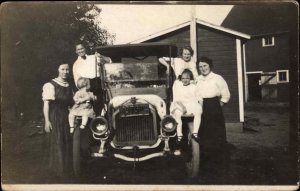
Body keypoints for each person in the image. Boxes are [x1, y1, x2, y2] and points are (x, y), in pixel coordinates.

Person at [42, 63, 73, 177]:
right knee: (57, 141)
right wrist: (47, 121)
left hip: (65, 116)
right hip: (54, 116)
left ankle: (65, 169)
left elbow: (70, 104)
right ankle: (56, 171)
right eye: (63, 69)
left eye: (67, 70)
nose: (65, 72)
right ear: (58, 70)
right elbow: (46, 104)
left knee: (65, 141)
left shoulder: (69, 85)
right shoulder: (50, 85)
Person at [195, 56, 230, 149]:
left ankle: (218, 158)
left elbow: (226, 95)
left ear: (210, 66)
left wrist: (218, 106)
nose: (203, 68)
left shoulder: (217, 78)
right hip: (200, 106)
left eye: (205, 65)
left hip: (214, 107)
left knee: (216, 133)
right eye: (200, 67)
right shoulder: (197, 79)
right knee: (203, 132)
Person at [73, 42, 111, 115]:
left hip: (98, 83)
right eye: (78, 49)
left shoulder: (93, 57)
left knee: (101, 107)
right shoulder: (76, 64)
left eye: (82, 48)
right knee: (89, 110)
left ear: (85, 49)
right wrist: (84, 91)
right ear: (76, 51)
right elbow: (77, 81)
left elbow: (109, 60)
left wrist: (101, 56)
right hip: (86, 87)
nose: (80, 51)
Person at [170, 69, 203, 145]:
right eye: (183, 78)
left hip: (192, 105)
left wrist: (201, 108)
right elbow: (177, 100)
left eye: (187, 78)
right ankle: (179, 135)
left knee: (198, 111)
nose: (185, 80)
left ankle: (195, 133)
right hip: (181, 104)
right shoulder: (179, 87)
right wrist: (183, 107)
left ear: (190, 79)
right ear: (181, 79)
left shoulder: (194, 87)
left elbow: (199, 98)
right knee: (177, 114)